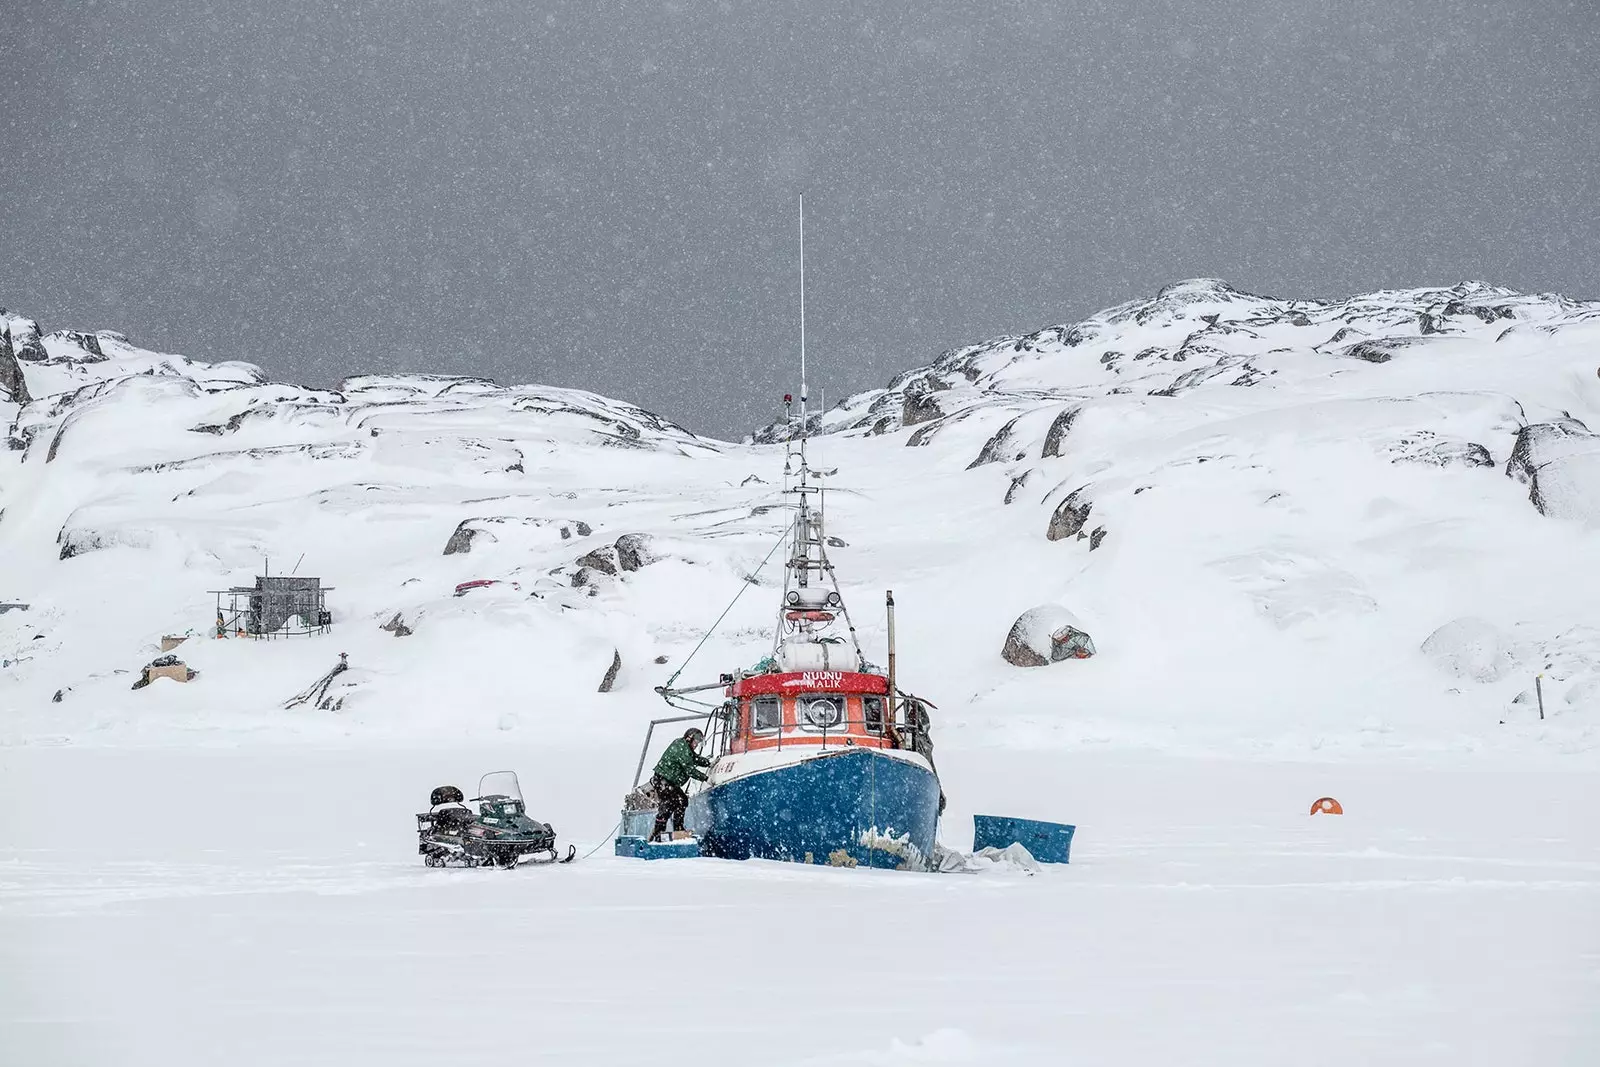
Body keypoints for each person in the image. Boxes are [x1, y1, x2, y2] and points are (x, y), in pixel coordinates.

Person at [650, 727, 711, 840]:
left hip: (669, 782)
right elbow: (689, 769)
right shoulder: (682, 747)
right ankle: (660, 832)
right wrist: (706, 778)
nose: (696, 745)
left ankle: (675, 829)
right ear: (689, 739)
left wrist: (708, 763)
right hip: (664, 780)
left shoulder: (685, 748)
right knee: (670, 803)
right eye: (696, 741)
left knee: (680, 801)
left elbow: (695, 758)